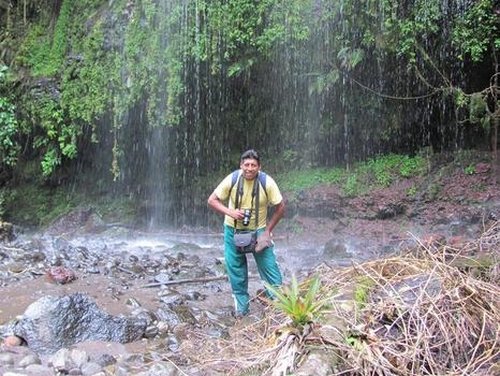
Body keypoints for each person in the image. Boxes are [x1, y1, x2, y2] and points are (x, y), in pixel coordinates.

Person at [207, 149, 285, 317]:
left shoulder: (267, 182)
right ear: (241, 165)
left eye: (253, 165)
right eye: (246, 165)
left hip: (259, 231)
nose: (249, 168)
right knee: (235, 269)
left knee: (269, 267)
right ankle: (242, 310)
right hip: (233, 230)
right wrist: (230, 212)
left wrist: (268, 231)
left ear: (259, 167)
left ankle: (280, 308)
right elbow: (212, 200)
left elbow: (281, 206)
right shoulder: (232, 179)